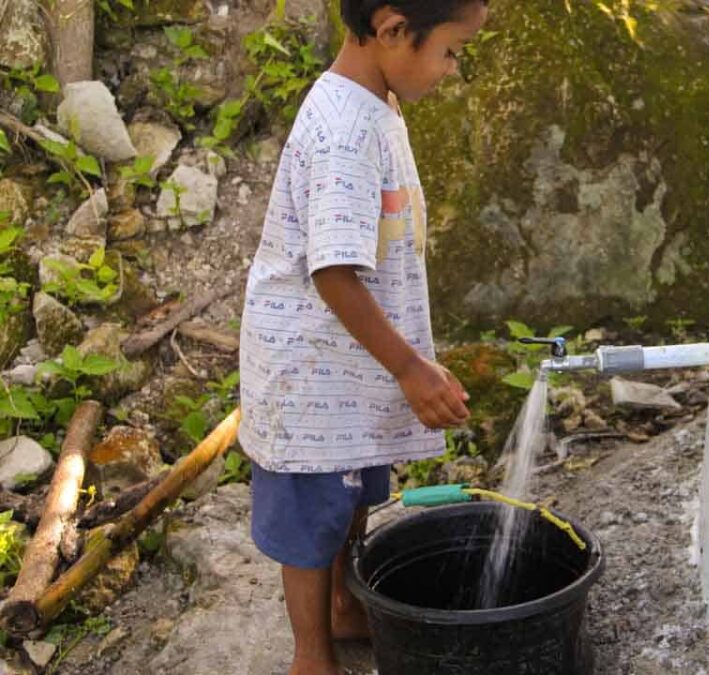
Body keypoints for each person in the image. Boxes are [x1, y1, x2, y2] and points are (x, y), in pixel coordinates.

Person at [238, 1, 488, 672]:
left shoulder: (375, 102)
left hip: (347, 364)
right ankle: (310, 654)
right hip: (311, 367)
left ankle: (345, 611)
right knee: (311, 518)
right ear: (393, 29)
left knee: (350, 497)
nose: (452, 69)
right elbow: (334, 271)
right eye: (451, 51)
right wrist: (410, 367)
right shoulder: (344, 131)